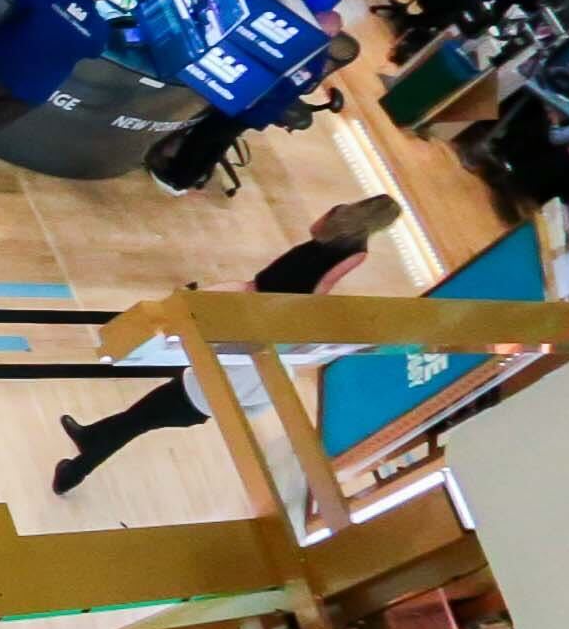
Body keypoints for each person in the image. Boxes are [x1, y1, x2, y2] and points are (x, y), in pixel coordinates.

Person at [54, 197, 405, 496]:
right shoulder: (355, 256)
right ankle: (90, 437)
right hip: (208, 388)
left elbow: (314, 237)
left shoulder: (335, 218)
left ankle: (75, 472)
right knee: (139, 417)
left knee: (137, 421)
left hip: (208, 381)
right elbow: (324, 286)